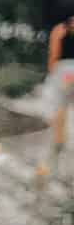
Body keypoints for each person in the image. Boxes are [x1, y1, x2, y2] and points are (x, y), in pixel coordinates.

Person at [42, 13, 74, 174]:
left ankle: (59, 141)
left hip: (64, 71)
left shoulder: (60, 30)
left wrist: (52, 71)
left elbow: (54, 54)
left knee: (61, 106)